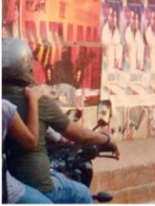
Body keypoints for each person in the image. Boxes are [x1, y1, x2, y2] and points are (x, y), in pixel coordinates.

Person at [2, 37, 119, 204]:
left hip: (9, 182)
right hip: (36, 185)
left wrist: (58, 138)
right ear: (27, 67)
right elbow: (79, 135)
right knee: (83, 194)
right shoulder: (36, 99)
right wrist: (107, 139)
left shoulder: (5, 103)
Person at [3, 84, 51, 204]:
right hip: (7, 191)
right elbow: (30, 142)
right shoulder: (4, 108)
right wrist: (33, 99)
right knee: (81, 194)